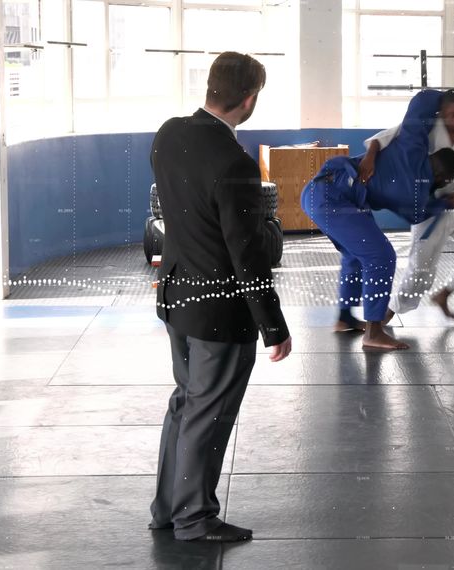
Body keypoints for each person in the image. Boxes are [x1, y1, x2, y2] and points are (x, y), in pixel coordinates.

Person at [148, 51, 292, 543]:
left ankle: (168, 509)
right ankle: (194, 519)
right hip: (219, 311)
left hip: (176, 297)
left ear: (209, 87)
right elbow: (248, 255)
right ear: (249, 99)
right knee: (208, 415)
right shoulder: (235, 163)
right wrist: (274, 327)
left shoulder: (168, 135)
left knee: (186, 404)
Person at [301, 89, 454, 350]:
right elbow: (417, 214)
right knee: (381, 256)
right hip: (332, 199)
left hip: (323, 192)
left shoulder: (413, 147)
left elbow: (420, 102)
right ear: (446, 179)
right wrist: (445, 202)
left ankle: (344, 318)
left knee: (356, 255)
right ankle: (374, 331)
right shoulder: (419, 197)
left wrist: (448, 100)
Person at [359, 89, 454, 322]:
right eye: (450, 115)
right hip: (428, 204)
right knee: (420, 271)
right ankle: (385, 315)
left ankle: (444, 294)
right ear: (441, 113)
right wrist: (370, 154)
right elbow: (392, 134)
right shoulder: (429, 126)